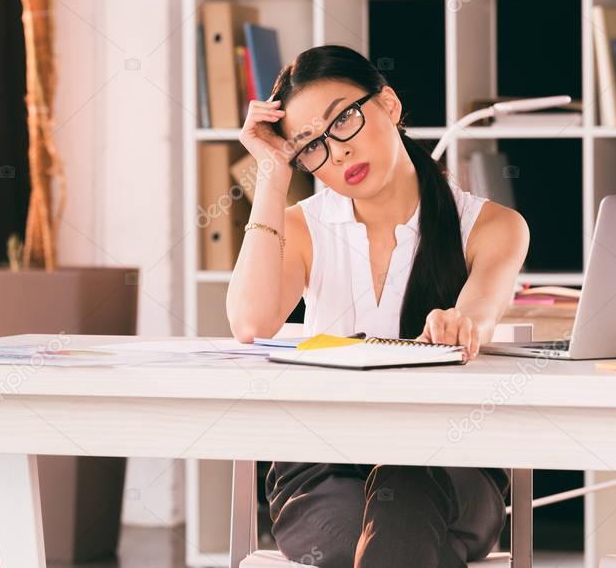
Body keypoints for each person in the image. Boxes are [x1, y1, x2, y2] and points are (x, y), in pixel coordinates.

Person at [225, 45, 529, 567]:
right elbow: (251, 323)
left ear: (388, 104)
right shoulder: (303, 227)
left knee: (399, 495)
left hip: (454, 465)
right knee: (383, 543)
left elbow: (481, 309)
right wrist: (273, 171)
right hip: (324, 469)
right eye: (310, 147)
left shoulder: (493, 227)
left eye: (343, 119)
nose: (336, 152)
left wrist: (461, 322)